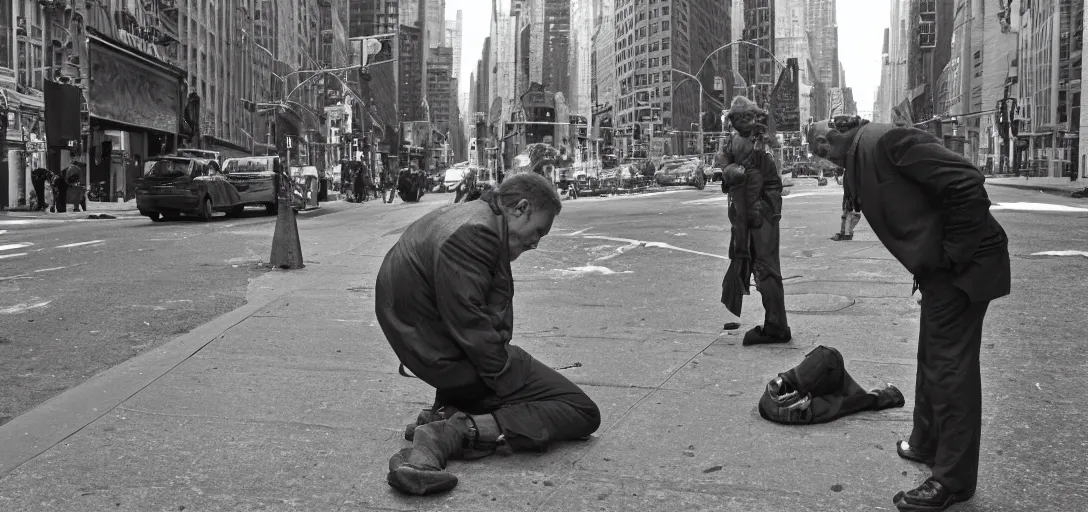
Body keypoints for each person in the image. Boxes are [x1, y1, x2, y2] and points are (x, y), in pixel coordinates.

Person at [814, 118, 1010, 512]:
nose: (825, 161)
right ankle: (926, 441)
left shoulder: (888, 140)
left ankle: (953, 480)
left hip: (964, 268)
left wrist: (952, 256)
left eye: (820, 151)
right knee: (931, 358)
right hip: (940, 273)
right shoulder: (862, 154)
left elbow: (966, 181)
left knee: (950, 369)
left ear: (829, 137)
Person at [375, 172, 601, 496]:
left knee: (522, 393)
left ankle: (449, 408)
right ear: (521, 207)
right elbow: (472, 328)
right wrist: (512, 389)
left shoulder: (477, 217)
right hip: (441, 352)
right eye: (538, 230)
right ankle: (451, 433)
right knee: (580, 410)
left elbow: (464, 314)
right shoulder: (475, 234)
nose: (536, 242)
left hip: (431, 342)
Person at [716, 96, 791, 346]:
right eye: (738, 118)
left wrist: (764, 208)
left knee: (766, 269)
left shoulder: (762, 144)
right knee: (749, 266)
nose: (743, 121)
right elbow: (724, 173)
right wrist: (728, 175)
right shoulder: (731, 142)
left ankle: (776, 326)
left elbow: (773, 183)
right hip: (742, 216)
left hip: (762, 216)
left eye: (747, 116)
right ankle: (774, 323)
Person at [758, 345, 904, 425]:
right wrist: (879, 397)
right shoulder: (818, 405)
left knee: (828, 358)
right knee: (829, 358)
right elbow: (849, 404)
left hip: (788, 398)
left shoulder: (776, 391)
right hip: (798, 405)